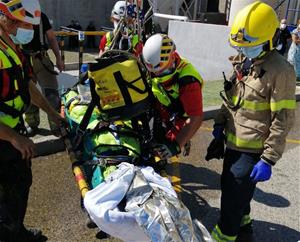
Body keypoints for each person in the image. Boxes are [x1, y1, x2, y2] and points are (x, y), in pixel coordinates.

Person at [208, 2, 296, 242]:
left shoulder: (281, 71)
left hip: (252, 151)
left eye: (251, 46)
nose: (244, 51)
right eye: (241, 46)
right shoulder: (243, 60)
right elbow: (232, 98)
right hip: (233, 145)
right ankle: (244, 229)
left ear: (270, 39)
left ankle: (224, 236)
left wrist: (268, 158)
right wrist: (218, 124)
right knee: (236, 194)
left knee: (231, 201)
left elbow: (283, 119)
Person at [0, 0, 65, 241]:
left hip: (11, 135)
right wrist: (15, 137)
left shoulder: (12, 48)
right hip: (6, 136)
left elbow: (29, 86)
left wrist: (53, 113)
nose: (27, 30)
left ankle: (17, 231)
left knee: (19, 182)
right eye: (23, 24)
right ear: (5, 17)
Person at [142, 33, 203, 160]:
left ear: (171, 60)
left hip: (180, 117)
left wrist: (177, 145)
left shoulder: (188, 81)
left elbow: (195, 117)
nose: (157, 75)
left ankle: (184, 139)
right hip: (163, 108)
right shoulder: (155, 64)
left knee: (163, 149)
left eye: (160, 71)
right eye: (154, 72)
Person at [23, 11, 64, 136]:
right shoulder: (14, 15)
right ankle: (32, 124)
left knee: (51, 93)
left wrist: (58, 58)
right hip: (23, 60)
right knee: (28, 94)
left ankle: (56, 124)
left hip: (41, 58)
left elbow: (51, 37)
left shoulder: (40, 16)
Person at [287, 19, 300, 84]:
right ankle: (290, 79)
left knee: (298, 66)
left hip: (299, 53)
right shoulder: (295, 31)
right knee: (292, 64)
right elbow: (295, 41)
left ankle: (297, 79)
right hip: (294, 52)